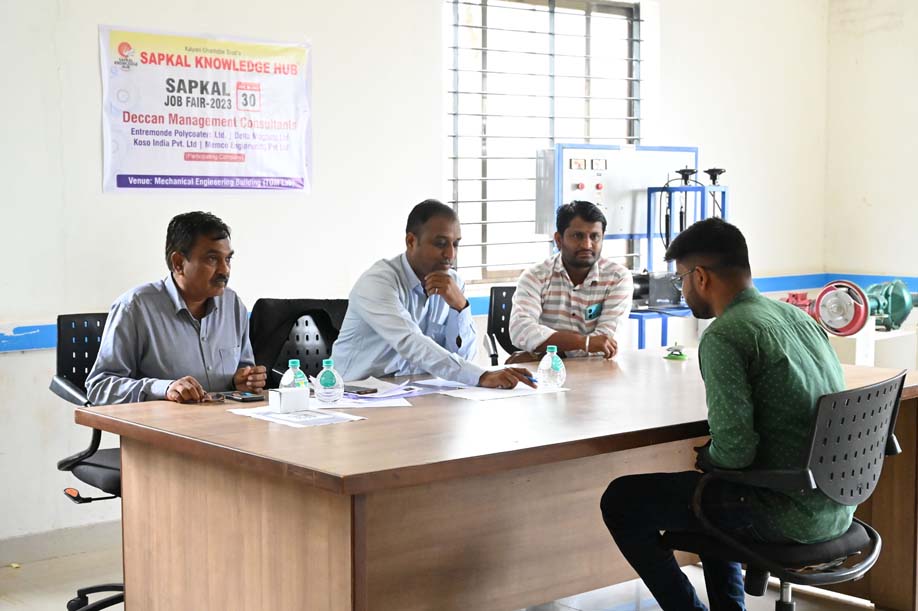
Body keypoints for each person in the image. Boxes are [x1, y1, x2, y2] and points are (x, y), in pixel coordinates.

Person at [600, 217, 848, 611]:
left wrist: (710, 456)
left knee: (622, 500)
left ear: (700, 277)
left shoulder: (726, 334)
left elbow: (735, 453)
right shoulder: (798, 318)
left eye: (680, 278)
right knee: (709, 488)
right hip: (835, 502)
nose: (682, 289)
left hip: (782, 511)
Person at [332, 199, 534, 389]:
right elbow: (411, 342)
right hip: (353, 395)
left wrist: (461, 307)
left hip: (414, 393)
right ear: (411, 241)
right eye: (440, 244)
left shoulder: (453, 284)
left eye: (455, 244)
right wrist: (481, 376)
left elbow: (464, 358)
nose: (450, 254)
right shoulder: (378, 282)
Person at [86, 211, 266, 405]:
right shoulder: (134, 308)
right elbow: (100, 387)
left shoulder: (233, 305)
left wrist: (242, 381)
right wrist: (164, 388)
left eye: (228, 259)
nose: (225, 270)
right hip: (160, 424)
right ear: (178, 263)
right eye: (212, 259)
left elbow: (243, 373)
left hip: (223, 420)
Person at [509, 201, 632, 361]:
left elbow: (605, 344)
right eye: (577, 236)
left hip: (595, 369)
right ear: (558, 240)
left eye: (595, 237)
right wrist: (584, 343)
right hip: (548, 373)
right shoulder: (535, 276)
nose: (587, 245)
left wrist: (545, 355)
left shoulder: (618, 278)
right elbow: (520, 330)